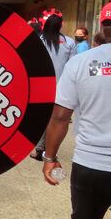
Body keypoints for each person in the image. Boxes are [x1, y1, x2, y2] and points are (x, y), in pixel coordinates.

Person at [42, 0, 111, 219]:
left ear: (102, 27)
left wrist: (50, 157)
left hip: (91, 165)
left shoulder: (81, 62)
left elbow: (60, 116)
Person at [30, 8, 77, 160]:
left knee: (40, 117)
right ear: (61, 26)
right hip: (61, 87)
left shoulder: (38, 41)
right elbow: (72, 66)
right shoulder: (69, 43)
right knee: (55, 119)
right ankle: (46, 149)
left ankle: (39, 148)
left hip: (39, 85)